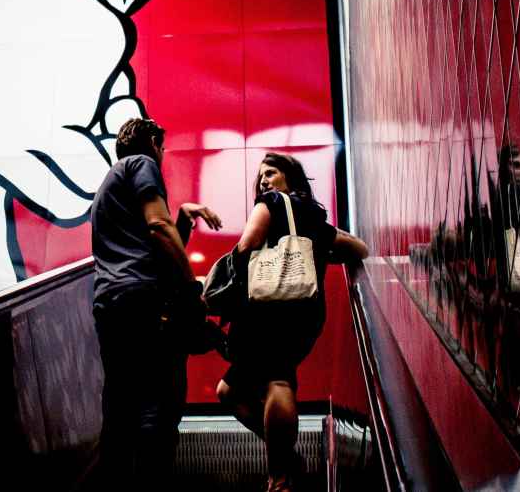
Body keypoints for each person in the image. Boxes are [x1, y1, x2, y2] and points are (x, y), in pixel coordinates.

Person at [215, 152, 367, 492]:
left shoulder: (268, 203)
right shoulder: (311, 215)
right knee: (230, 390)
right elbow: (358, 248)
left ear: (290, 178)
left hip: (266, 310)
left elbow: (246, 246)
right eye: (261, 176)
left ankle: (279, 478)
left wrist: (226, 285)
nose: (264, 180)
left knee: (277, 381)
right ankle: (286, 459)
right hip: (304, 311)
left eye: (271, 172)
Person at [91, 117, 222, 485]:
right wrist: (191, 292)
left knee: (119, 407)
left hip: (111, 303)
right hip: (143, 302)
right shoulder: (141, 164)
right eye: (162, 148)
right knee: (159, 406)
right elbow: (156, 228)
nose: (162, 155)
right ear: (152, 143)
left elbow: (145, 242)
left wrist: (181, 220)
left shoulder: (110, 184)